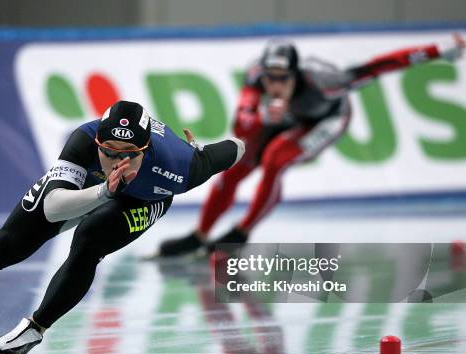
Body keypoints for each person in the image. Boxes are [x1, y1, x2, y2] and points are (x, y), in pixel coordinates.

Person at [0, 101, 245, 354]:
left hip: (146, 200)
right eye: (109, 151)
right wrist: (103, 190)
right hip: (89, 189)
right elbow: (52, 207)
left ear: (148, 148)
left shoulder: (180, 167)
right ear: (97, 141)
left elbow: (235, 149)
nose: (118, 161)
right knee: (8, 244)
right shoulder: (81, 142)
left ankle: (35, 328)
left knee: (91, 238)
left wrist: (222, 147)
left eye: (130, 154)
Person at [158, 34, 466, 257]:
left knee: (276, 158)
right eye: (269, 79)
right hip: (282, 116)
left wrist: (437, 50)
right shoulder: (256, 78)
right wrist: (261, 113)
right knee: (238, 163)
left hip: (325, 119)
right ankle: (200, 235)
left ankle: (242, 231)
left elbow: (381, 65)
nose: (274, 85)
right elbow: (242, 123)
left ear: (296, 75)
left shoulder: (327, 81)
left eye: (282, 78)